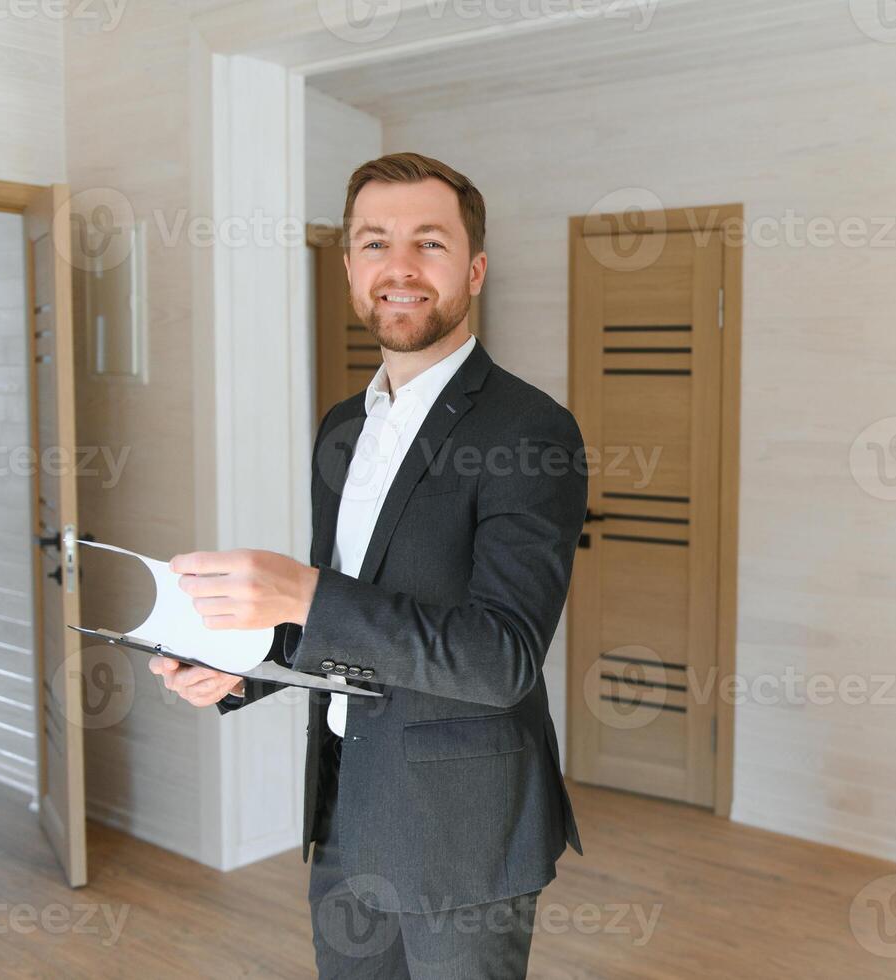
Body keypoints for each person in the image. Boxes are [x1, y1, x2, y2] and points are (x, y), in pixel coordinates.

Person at [150, 152, 585, 979]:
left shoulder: (530, 430)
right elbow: (340, 617)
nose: (400, 268)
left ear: (475, 268)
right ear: (350, 265)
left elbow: (502, 659)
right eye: (375, 243)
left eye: (430, 242)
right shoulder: (341, 426)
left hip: (463, 831)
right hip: (348, 803)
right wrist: (246, 668)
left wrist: (304, 593)